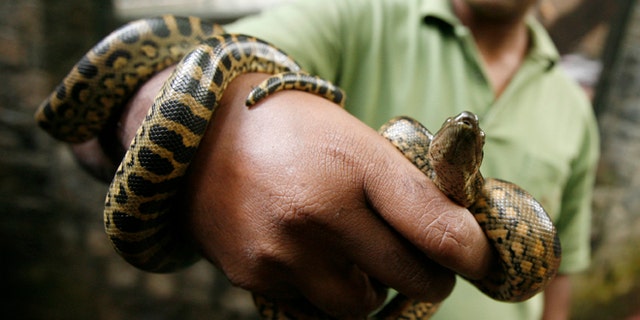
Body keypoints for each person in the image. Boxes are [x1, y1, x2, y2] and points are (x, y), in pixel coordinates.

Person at [72, 0, 599, 318]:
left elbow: (562, 275)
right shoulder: (360, 14)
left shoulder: (576, 110)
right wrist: (222, 133)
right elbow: (91, 124)